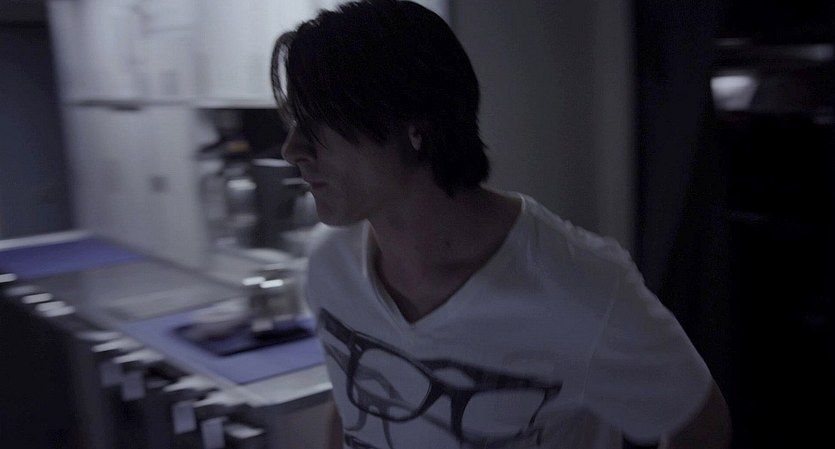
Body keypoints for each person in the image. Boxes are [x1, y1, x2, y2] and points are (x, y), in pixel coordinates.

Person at [271, 1, 731, 448]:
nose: (292, 150)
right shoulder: (328, 263)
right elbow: (348, 406)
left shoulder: (580, 287)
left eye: (318, 124)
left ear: (416, 127)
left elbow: (701, 427)